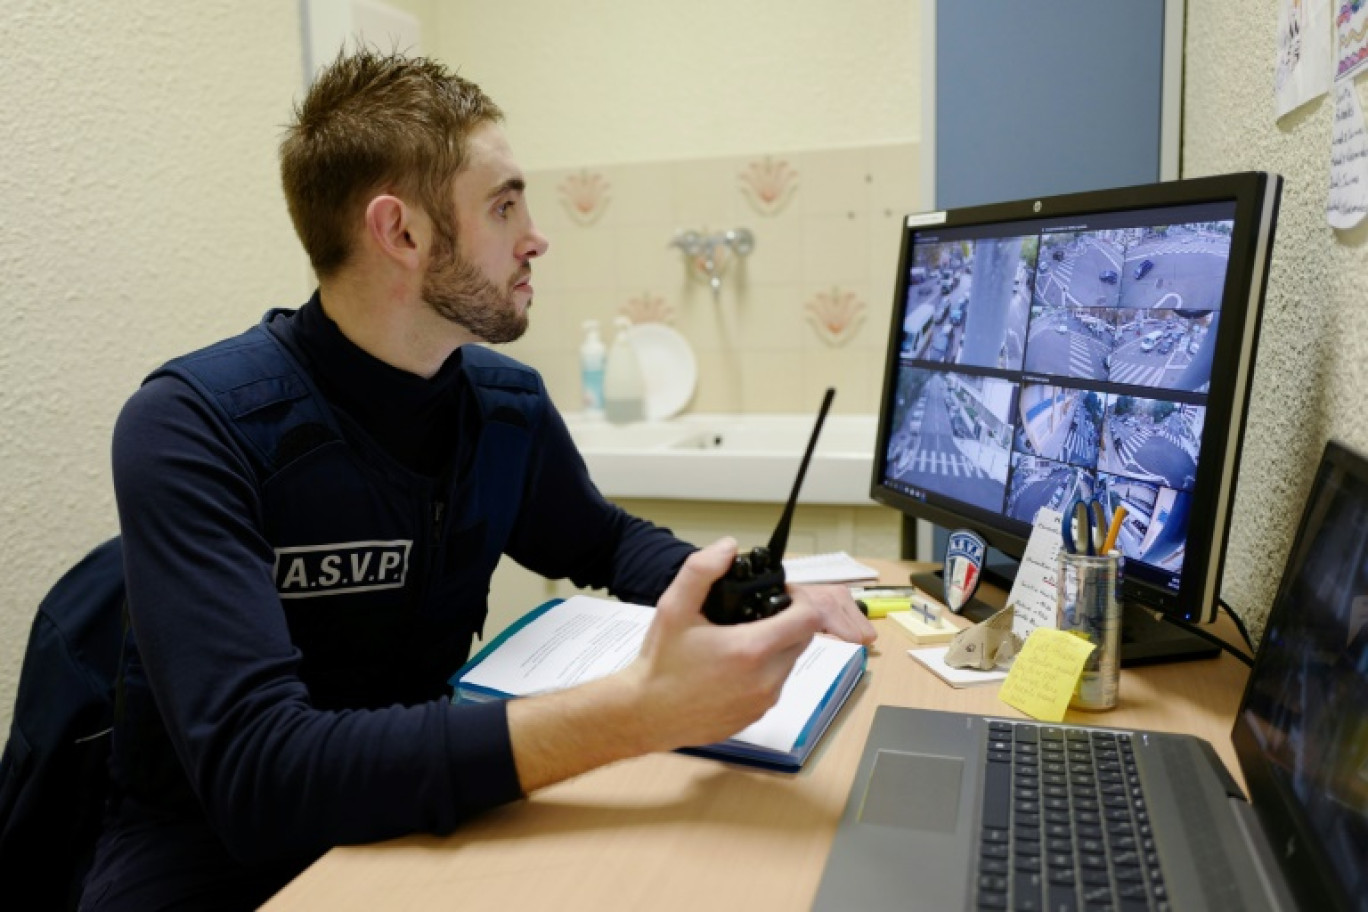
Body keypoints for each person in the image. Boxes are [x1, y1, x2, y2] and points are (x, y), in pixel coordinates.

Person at [78, 48, 875, 910]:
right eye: (504, 207)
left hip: (421, 814)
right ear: (403, 234)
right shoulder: (193, 425)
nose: (536, 238)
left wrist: (743, 595)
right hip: (213, 854)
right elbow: (262, 773)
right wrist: (641, 711)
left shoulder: (503, 405)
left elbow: (601, 538)